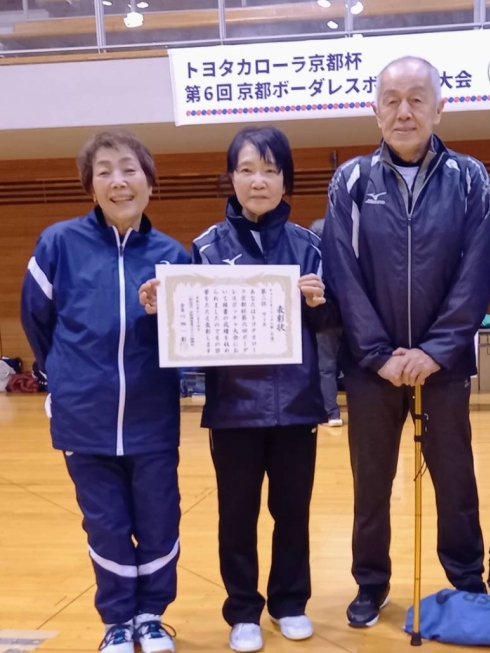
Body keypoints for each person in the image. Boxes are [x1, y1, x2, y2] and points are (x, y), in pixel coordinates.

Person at [140, 126, 335, 653]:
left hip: (297, 406)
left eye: (270, 171)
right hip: (232, 410)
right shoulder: (206, 247)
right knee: (237, 515)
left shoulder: (309, 245)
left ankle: (290, 602)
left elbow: (332, 325)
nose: (259, 181)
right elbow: (190, 329)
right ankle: (243, 610)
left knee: (292, 512)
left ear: (286, 180)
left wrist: (320, 303)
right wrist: (162, 305)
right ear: (231, 177)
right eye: (247, 169)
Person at [321, 56, 490, 628]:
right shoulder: (350, 181)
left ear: (439, 107)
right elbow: (342, 272)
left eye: (417, 98)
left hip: (443, 368)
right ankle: (371, 583)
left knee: (456, 478)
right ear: (375, 110)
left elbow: (476, 270)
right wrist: (378, 355)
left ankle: (466, 579)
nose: (404, 111)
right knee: (371, 482)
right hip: (371, 370)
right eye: (392, 100)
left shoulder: (470, 177)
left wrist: (436, 351)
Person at [21, 130, 189, 653]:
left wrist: (163, 314)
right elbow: (37, 320)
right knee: (106, 525)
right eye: (105, 172)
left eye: (129, 169)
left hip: (152, 418)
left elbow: (185, 337)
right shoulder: (58, 244)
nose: (119, 181)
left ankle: (151, 616)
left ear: (149, 182)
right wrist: (64, 377)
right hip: (84, 418)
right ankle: (117, 619)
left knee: (159, 520)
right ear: (90, 186)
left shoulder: (173, 256)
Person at [309, 218, 343, 428]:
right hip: (351, 317)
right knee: (354, 365)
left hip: (326, 318)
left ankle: (331, 413)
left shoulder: (313, 259)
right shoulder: (345, 256)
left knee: (326, 366)